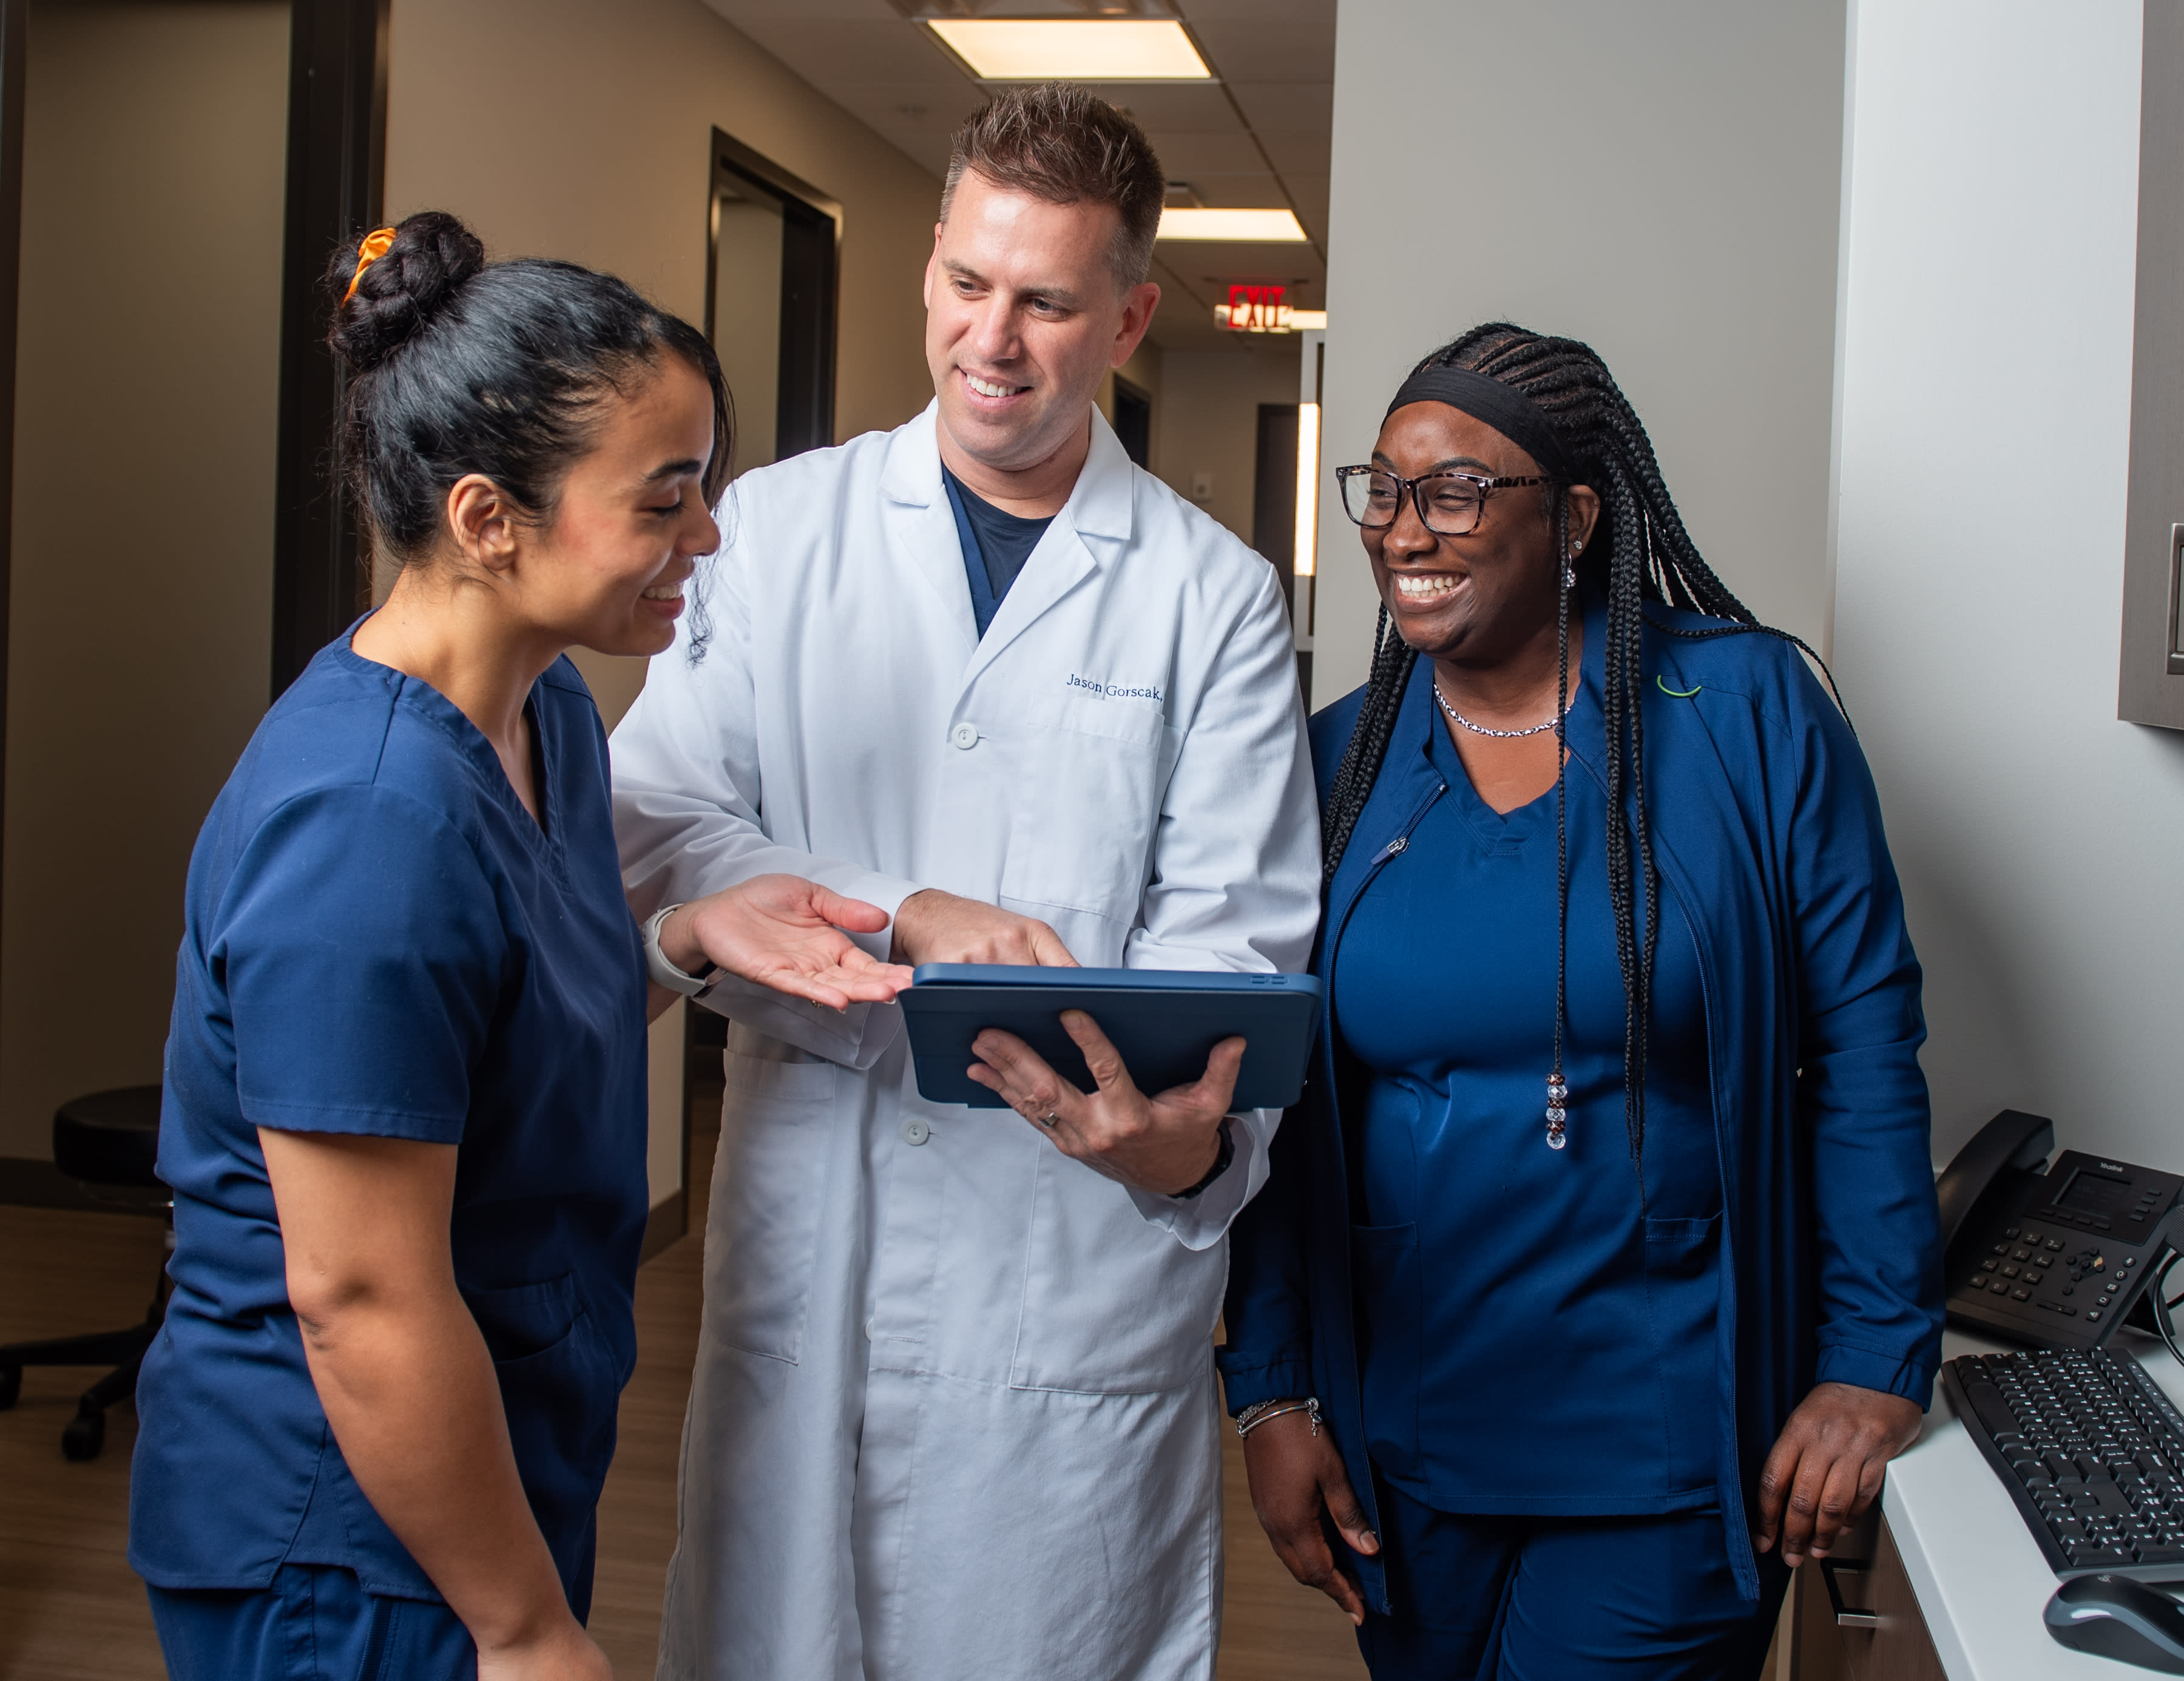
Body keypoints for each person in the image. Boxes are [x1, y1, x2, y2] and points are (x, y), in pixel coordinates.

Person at [127, 211, 910, 1681]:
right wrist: (523, 1624)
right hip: (341, 1540)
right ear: (490, 518)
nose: (708, 536)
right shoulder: (365, 826)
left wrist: (684, 932)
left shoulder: (541, 713)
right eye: (665, 499)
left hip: (485, 1470)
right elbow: (359, 1294)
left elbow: (497, 1026)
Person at [611, 84, 1319, 1680]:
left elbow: (1234, 952)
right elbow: (658, 822)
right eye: (969, 284)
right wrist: (895, 901)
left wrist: (1182, 1145)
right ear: (930, 264)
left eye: (1049, 302)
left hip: (1065, 1258)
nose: (993, 340)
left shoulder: (1209, 601)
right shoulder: (774, 536)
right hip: (819, 1218)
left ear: (1131, 314)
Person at [1219, 324, 1944, 1679]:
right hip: (1409, 1436)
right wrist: (1273, 1387)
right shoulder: (1339, 764)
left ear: (1576, 516)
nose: (1405, 530)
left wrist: (1872, 1358)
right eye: (1383, 488)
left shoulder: (1744, 712)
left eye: (1455, 490)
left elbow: (1863, 1048)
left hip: (1662, 1430)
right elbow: (1279, 1105)